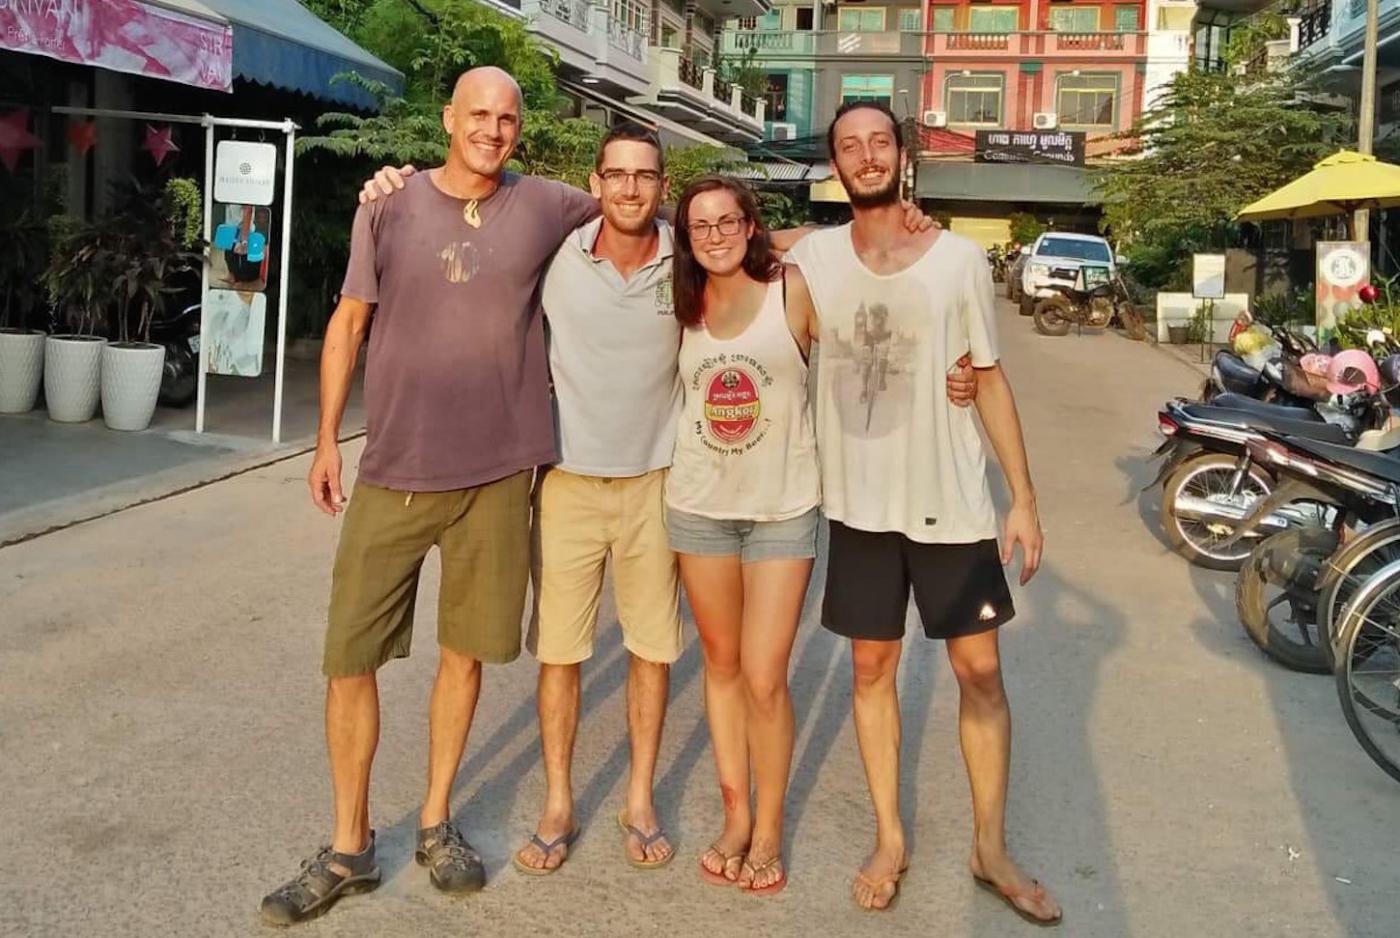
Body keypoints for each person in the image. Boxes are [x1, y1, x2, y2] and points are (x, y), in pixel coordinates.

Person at [258, 67, 602, 926]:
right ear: (448, 118)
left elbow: (651, 215)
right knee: (350, 659)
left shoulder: (550, 205)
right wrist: (325, 441)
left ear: (522, 127)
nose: (493, 129)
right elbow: (348, 323)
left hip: (497, 475)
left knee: (466, 653)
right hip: (395, 472)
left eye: (508, 117)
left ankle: (437, 820)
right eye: (478, 114)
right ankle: (348, 845)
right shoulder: (390, 202)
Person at [786, 100, 1061, 924]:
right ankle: (891, 836)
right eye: (848, 146)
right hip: (860, 508)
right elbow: (731, 267)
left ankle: (990, 845)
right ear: (833, 164)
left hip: (951, 505)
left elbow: (990, 376)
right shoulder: (813, 258)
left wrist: (1024, 498)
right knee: (872, 671)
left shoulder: (958, 262)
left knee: (980, 672)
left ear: (902, 155)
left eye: (879, 142)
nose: (866, 157)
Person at [664, 176, 822, 895]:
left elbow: (846, 246)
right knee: (721, 667)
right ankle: (735, 816)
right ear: (686, 237)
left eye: (731, 221)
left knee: (765, 675)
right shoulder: (683, 302)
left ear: (753, 225)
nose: (717, 235)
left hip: (783, 507)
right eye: (702, 226)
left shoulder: (793, 290)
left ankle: (770, 825)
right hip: (699, 505)